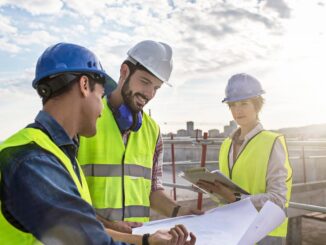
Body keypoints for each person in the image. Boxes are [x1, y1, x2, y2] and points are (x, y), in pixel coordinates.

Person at [0, 42, 196, 245]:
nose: (150, 94)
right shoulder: (34, 159)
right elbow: (85, 237)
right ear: (85, 85)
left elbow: (83, 228)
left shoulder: (55, 150)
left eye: (156, 88)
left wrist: (147, 237)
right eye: (101, 95)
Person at [77, 40, 203, 233]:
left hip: (139, 239)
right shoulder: (85, 118)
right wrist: (107, 225)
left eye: (156, 87)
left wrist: (180, 211)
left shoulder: (152, 131)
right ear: (124, 72)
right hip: (92, 238)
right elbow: (64, 194)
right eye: (145, 82)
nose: (149, 93)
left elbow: (153, 191)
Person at [197, 73, 292, 245]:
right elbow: (227, 194)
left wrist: (236, 199)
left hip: (265, 233)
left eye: (244, 103)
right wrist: (214, 190)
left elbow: (278, 199)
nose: (237, 110)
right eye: (233, 104)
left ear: (257, 105)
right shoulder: (226, 145)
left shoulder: (272, 142)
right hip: (232, 231)